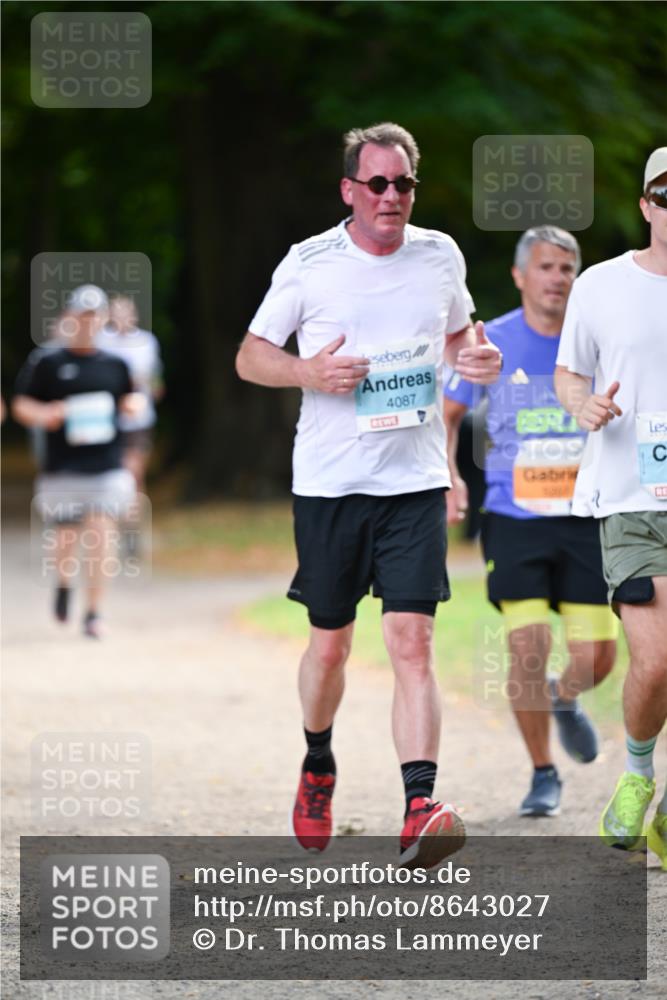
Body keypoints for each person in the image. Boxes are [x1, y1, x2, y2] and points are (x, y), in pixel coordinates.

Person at [236, 122, 502, 868]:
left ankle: (420, 805)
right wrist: (306, 374)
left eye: (403, 184)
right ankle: (317, 760)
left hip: (412, 480)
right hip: (329, 484)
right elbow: (251, 356)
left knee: (411, 642)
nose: (391, 197)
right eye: (376, 184)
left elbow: (457, 341)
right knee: (331, 646)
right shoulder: (309, 263)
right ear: (350, 190)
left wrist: (475, 361)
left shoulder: (439, 254)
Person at [444, 227, 618, 818]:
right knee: (528, 645)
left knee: (598, 657)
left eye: (567, 268)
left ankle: (563, 697)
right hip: (514, 515)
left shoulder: (595, 339)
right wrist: (451, 475)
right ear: (521, 276)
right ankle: (543, 773)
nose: (557, 278)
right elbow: (447, 414)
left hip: (586, 515)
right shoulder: (491, 340)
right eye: (545, 267)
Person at [555, 148, 667, 869]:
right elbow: (569, 372)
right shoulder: (600, 284)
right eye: (666, 194)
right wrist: (583, 404)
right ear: (646, 204)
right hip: (630, 494)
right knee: (654, 662)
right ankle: (635, 774)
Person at [12, 284, 143, 638]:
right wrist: (45, 413)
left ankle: (94, 612)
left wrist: (133, 407)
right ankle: (64, 582)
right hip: (62, 467)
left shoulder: (117, 364)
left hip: (106, 466)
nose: (87, 323)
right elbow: (21, 405)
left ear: (102, 320)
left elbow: (135, 401)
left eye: (94, 317)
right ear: (69, 318)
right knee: (66, 539)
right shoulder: (48, 363)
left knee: (102, 532)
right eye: (81, 317)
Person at [96, 296, 163, 494]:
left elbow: (154, 374)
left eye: (126, 312)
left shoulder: (146, 341)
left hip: (140, 416)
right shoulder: (100, 340)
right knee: (111, 472)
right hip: (107, 417)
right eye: (117, 312)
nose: (122, 317)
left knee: (134, 471)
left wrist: (155, 387)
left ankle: (134, 516)